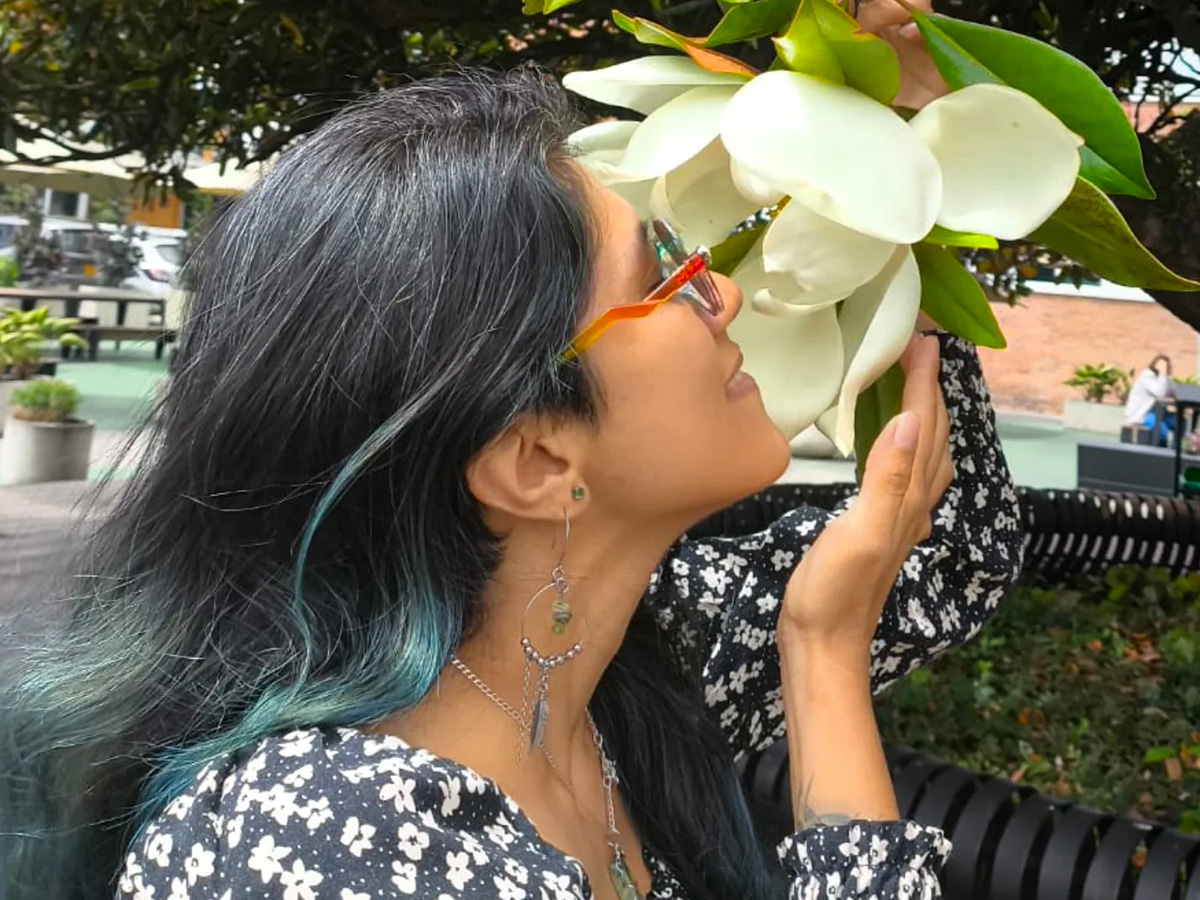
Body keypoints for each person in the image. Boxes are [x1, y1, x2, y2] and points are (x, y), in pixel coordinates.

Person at [1, 17, 1022, 900]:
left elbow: (949, 545)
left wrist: (906, 172)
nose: (723, 296)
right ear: (534, 458)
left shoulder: (613, 664)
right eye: (658, 276)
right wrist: (822, 660)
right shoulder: (316, 845)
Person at [1124, 354, 1175, 445]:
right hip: (1142, 416)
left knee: (1179, 422)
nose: (1165, 368)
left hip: (1159, 413)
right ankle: (1160, 451)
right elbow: (1160, 392)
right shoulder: (1146, 377)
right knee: (1161, 428)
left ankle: (1176, 449)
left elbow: (1174, 392)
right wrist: (1162, 374)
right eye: (1162, 366)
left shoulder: (1164, 379)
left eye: (1166, 366)